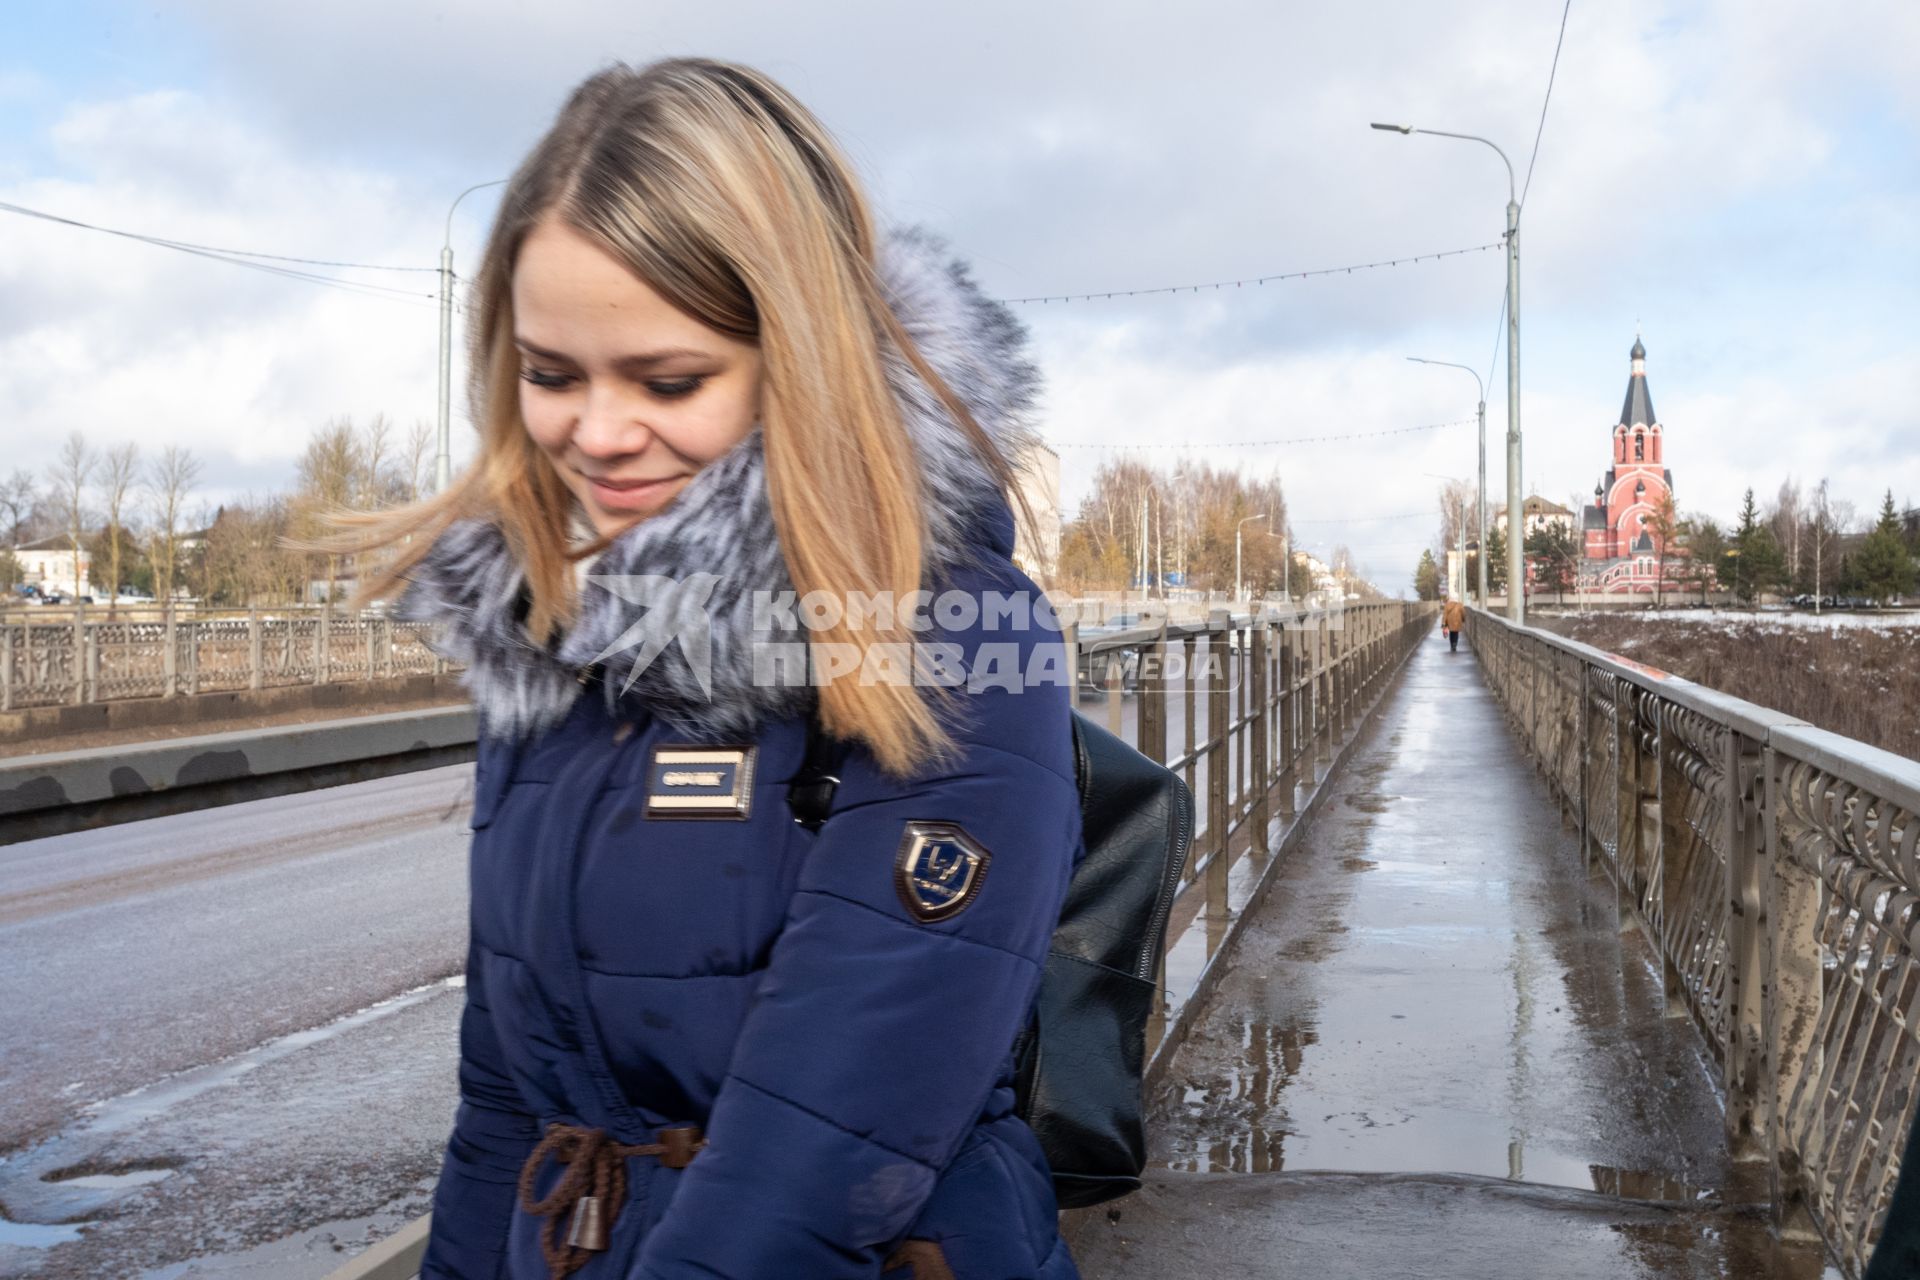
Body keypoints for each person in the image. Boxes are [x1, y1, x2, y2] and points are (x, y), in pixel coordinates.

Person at [324, 58, 1083, 1280]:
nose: (599, 432)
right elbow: (504, 1097)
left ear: (802, 360)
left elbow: (828, 1141)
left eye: (668, 380)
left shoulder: (947, 637)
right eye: (551, 373)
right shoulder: (557, 637)